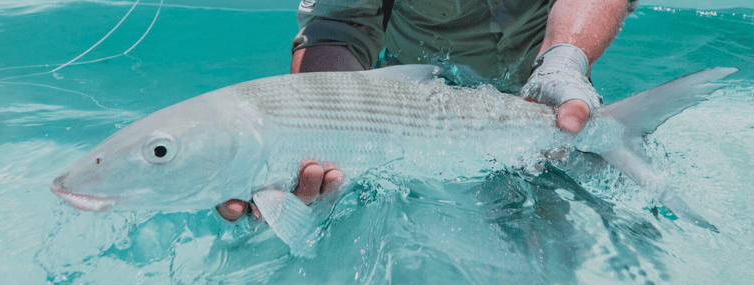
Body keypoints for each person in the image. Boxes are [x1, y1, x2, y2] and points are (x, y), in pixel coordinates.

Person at [217, 0, 637, 222]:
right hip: (406, 123)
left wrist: (564, 63)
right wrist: (320, 135)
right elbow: (339, 26)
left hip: (557, 105)